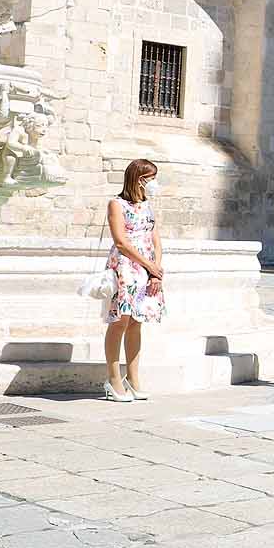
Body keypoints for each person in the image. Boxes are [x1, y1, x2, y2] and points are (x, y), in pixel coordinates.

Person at [103, 159, 165, 402]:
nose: (153, 183)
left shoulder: (147, 206)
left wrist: (156, 270)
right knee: (121, 319)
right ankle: (113, 377)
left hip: (147, 269)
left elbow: (156, 239)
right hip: (126, 266)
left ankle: (133, 376)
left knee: (138, 321)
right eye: (150, 178)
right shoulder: (116, 204)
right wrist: (148, 264)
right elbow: (120, 241)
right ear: (138, 179)